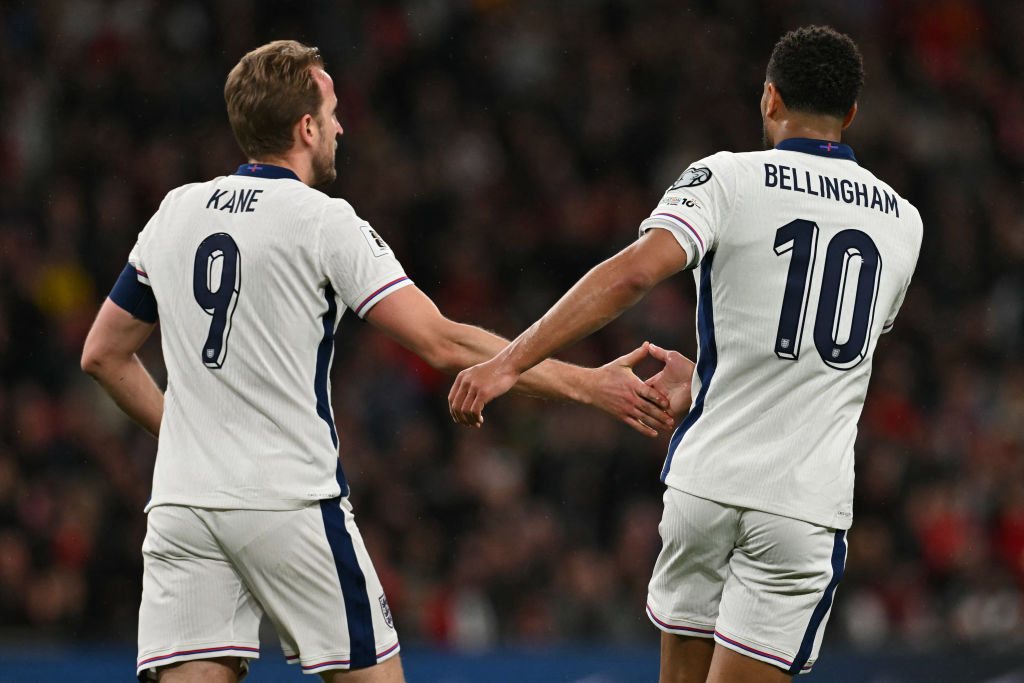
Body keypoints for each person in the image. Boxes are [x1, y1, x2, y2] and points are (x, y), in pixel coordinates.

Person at [80, 40, 675, 683]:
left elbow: (103, 354)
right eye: (332, 112)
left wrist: (187, 435)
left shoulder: (174, 212)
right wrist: (586, 384)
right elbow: (442, 342)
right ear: (306, 128)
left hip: (183, 505)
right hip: (288, 500)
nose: (341, 127)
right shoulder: (322, 221)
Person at [449, 25, 922, 682]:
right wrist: (711, 378)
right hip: (800, 504)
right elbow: (816, 357)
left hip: (707, 487)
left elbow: (632, 275)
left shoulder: (726, 176)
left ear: (770, 97)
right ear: (851, 114)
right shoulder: (903, 221)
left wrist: (510, 361)